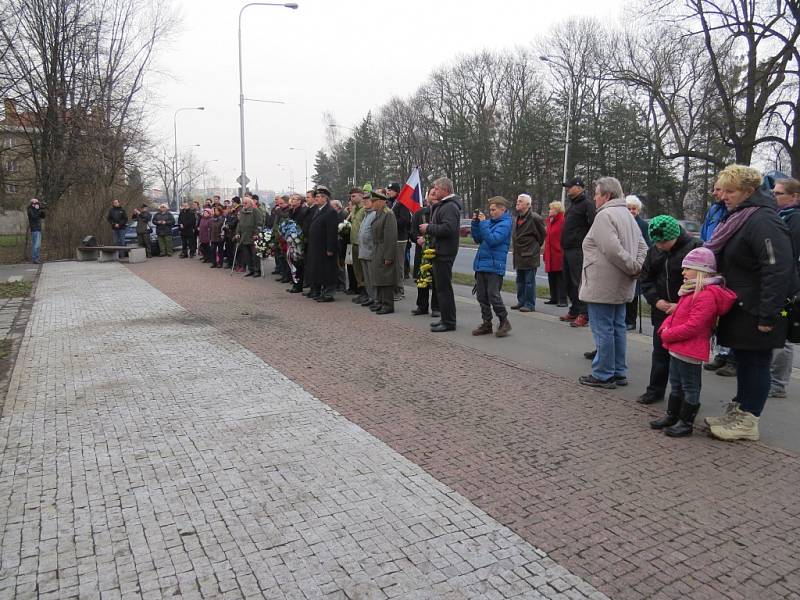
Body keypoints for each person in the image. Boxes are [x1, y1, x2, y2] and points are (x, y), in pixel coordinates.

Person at [704, 164, 797, 442]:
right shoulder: (743, 217)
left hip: (756, 307)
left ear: (750, 191)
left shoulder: (763, 221)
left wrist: (767, 315)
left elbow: (777, 268)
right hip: (743, 303)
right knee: (745, 361)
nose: (724, 196)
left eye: (731, 191)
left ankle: (748, 419)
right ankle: (740, 410)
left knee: (756, 362)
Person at [649, 247, 737, 437]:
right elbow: (677, 314)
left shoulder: (705, 295)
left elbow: (694, 326)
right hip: (677, 347)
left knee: (690, 386)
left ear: (700, 271)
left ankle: (686, 422)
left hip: (689, 349)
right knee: (676, 383)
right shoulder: (691, 290)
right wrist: (665, 327)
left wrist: (668, 334)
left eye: (687, 268)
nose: (683, 272)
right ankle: (673, 414)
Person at [577, 177, 648, 389]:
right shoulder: (627, 214)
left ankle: (603, 373)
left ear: (607, 195)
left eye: (597, 194)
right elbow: (643, 247)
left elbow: (612, 250)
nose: (594, 198)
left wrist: (632, 267)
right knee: (617, 328)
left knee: (604, 329)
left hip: (603, 283)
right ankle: (618, 371)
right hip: (622, 283)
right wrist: (636, 267)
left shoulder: (605, 215)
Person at [637, 215, 702, 405]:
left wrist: (681, 305)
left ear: (675, 236)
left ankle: (688, 397)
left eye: (664, 242)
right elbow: (646, 278)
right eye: (656, 242)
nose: (660, 246)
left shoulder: (695, 248)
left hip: (686, 312)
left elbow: (703, 282)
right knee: (660, 352)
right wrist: (656, 301)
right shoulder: (654, 251)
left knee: (687, 358)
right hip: (662, 311)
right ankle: (655, 390)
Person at [769, 177, 800, 398]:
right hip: (781, 282)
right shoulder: (780, 216)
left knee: (785, 337)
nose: (774, 196)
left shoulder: (795, 219)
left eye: (779, 193)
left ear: (794, 196)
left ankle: (778, 383)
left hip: (789, 286)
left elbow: (790, 255)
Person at [700, 183, 736, 377]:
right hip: (713, 261)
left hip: (727, 265)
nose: (714, 193)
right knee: (716, 310)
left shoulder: (735, 212)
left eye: (719, 189)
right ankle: (722, 352)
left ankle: (733, 356)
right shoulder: (714, 209)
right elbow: (706, 231)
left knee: (729, 308)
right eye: (714, 189)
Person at [420, 177, 461, 332]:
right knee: (441, 288)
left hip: (444, 252)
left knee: (444, 289)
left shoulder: (450, 207)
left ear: (445, 190)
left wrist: (429, 228)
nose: (434, 191)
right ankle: (445, 318)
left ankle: (449, 321)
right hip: (439, 251)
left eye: (436, 188)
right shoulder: (443, 205)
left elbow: (448, 229)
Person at [471, 197, 513, 337]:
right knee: (482, 296)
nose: (491, 212)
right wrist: (476, 223)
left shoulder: (505, 224)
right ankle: (486, 323)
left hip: (495, 266)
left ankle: (504, 321)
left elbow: (493, 240)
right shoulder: (489, 223)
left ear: (503, 209)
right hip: (482, 264)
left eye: (494, 210)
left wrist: (483, 224)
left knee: (493, 296)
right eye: (490, 210)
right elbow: (478, 238)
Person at [560, 177, 595, 327]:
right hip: (567, 249)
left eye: (570, 186)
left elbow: (593, 225)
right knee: (568, 282)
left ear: (579, 188)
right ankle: (574, 310)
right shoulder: (572, 205)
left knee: (579, 282)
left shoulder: (587, 204)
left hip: (578, 250)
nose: (567, 189)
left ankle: (584, 314)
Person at [510, 193, 545, 313]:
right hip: (518, 255)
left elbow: (542, 236)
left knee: (529, 282)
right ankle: (521, 301)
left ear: (528, 204)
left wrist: (533, 248)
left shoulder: (535, 218)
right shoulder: (517, 218)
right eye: (517, 201)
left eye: (520, 201)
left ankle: (529, 304)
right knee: (520, 280)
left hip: (530, 255)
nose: (517, 203)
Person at [305, 186, 339, 302]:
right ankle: (320, 292)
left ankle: (328, 294)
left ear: (326, 199)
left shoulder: (330, 212)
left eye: (320, 197)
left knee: (328, 271)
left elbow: (332, 232)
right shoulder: (318, 210)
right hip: (316, 247)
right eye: (317, 196)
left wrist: (330, 248)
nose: (317, 199)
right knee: (319, 270)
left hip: (325, 247)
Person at [368, 191, 399, 314]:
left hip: (384, 248)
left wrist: (388, 256)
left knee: (386, 277)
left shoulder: (388, 214)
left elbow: (391, 237)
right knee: (379, 276)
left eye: (374, 201)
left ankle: (388, 304)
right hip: (378, 248)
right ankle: (380, 302)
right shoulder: (378, 213)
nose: (372, 203)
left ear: (381, 202)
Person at [625, 195, 652, 331]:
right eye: (628, 208)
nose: (631, 211)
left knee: (633, 294)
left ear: (638, 210)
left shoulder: (643, 225)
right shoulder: (622, 222)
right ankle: (624, 319)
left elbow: (648, 245)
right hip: (624, 261)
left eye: (633, 209)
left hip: (637, 262)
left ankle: (631, 321)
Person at [411, 190, 439, 317]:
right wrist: (418, 239)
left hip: (436, 251)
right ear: (427, 197)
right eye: (431, 194)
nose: (433, 197)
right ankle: (422, 306)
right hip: (421, 250)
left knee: (436, 280)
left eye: (435, 194)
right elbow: (412, 231)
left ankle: (436, 308)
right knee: (421, 278)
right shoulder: (419, 213)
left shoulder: (441, 212)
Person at [388, 182, 411, 301]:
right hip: (391, 238)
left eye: (391, 190)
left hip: (400, 238)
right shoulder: (390, 203)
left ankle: (399, 290)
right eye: (388, 190)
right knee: (391, 265)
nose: (388, 192)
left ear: (397, 192)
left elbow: (405, 220)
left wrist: (391, 222)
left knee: (398, 266)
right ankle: (392, 288)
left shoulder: (402, 204)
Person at [287, 193, 313, 293]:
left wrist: (298, 235)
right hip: (292, 240)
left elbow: (302, 225)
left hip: (298, 240)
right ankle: (295, 284)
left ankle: (298, 285)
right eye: (291, 199)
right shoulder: (291, 211)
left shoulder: (302, 211)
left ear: (299, 201)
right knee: (293, 262)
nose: (292, 200)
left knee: (299, 264)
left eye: (295, 199)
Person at [543, 201, 566, 306]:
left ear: (557, 210)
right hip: (549, 253)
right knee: (551, 277)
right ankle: (554, 297)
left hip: (558, 253)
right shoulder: (549, 222)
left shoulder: (562, 221)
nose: (549, 211)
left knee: (560, 278)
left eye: (551, 209)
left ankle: (562, 299)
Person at [357, 193, 378, 307]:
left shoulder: (374, 214)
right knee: (367, 277)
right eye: (363, 200)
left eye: (367, 200)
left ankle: (375, 298)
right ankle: (371, 297)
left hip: (371, 251)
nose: (365, 202)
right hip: (363, 250)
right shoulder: (366, 214)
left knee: (372, 277)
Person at [348, 188, 368, 302]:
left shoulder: (365, 209)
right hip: (353, 242)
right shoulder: (354, 208)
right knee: (357, 269)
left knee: (363, 268)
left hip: (362, 243)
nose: (352, 198)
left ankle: (366, 292)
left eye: (354, 196)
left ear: (361, 196)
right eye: (351, 196)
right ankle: (361, 291)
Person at [235, 196, 260, 277]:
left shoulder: (255, 211)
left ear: (251, 203)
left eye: (246, 203)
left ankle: (257, 270)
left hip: (253, 236)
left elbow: (259, 223)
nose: (244, 204)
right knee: (247, 255)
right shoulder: (242, 211)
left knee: (255, 255)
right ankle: (251, 270)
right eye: (243, 203)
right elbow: (240, 223)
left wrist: (256, 233)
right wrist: (238, 232)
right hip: (244, 236)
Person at [26, 198, 45, 264]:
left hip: (38, 229)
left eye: (38, 203)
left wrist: (41, 210)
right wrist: (37, 210)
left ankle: (37, 258)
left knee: (38, 245)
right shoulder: (30, 209)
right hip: (34, 229)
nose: (38, 204)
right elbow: (34, 216)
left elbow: (43, 216)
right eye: (36, 203)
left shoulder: (36, 209)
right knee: (36, 245)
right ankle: (35, 259)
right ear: (32, 203)